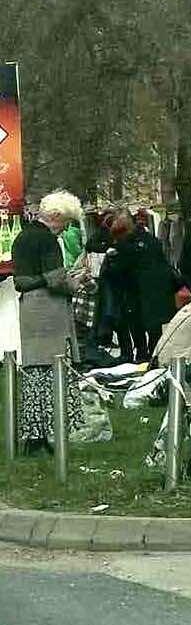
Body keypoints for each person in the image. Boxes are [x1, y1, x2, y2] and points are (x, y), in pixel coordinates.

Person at [11, 190, 88, 450]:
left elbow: (22, 278)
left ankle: (35, 434)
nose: (64, 229)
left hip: (29, 309)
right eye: (65, 222)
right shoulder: (47, 241)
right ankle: (50, 431)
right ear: (55, 216)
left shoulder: (22, 236)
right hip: (49, 310)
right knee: (53, 369)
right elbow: (56, 281)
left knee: (35, 371)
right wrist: (76, 281)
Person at [102, 211, 183, 363]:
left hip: (136, 292)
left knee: (136, 325)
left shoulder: (124, 246)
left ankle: (142, 354)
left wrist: (111, 265)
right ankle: (154, 355)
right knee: (154, 328)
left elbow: (119, 271)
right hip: (158, 292)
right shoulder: (151, 240)